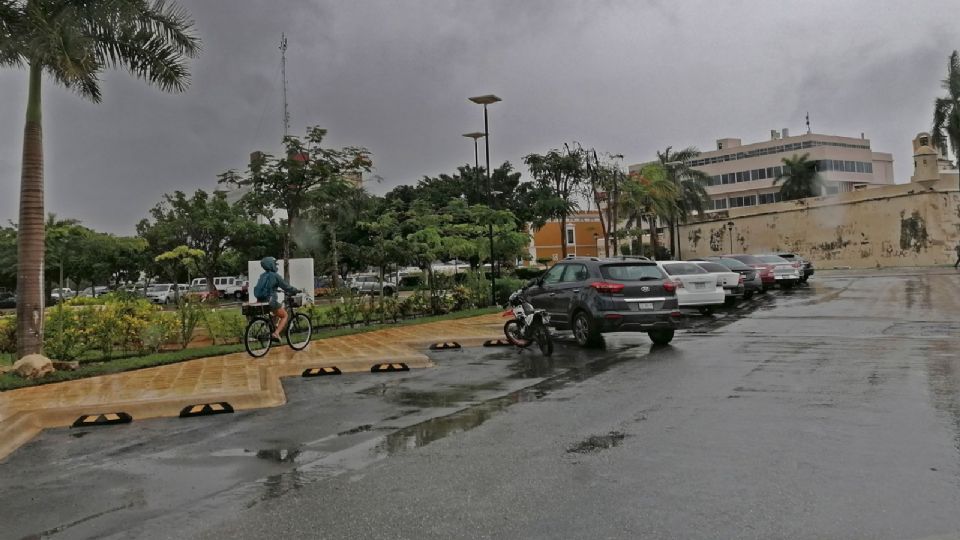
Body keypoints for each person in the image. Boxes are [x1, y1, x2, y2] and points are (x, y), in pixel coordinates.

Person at [253, 257, 300, 342]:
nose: (275, 265)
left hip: (261, 301)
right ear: (271, 265)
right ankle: (276, 333)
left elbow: (266, 287)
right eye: (274, 264)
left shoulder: (262, 275)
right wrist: (296, 290)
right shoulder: (275, 276)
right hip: (271, 301)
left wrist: (276, 289)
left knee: (276, 311)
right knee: (284, 315)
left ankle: (271, 328)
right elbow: (286, 287)